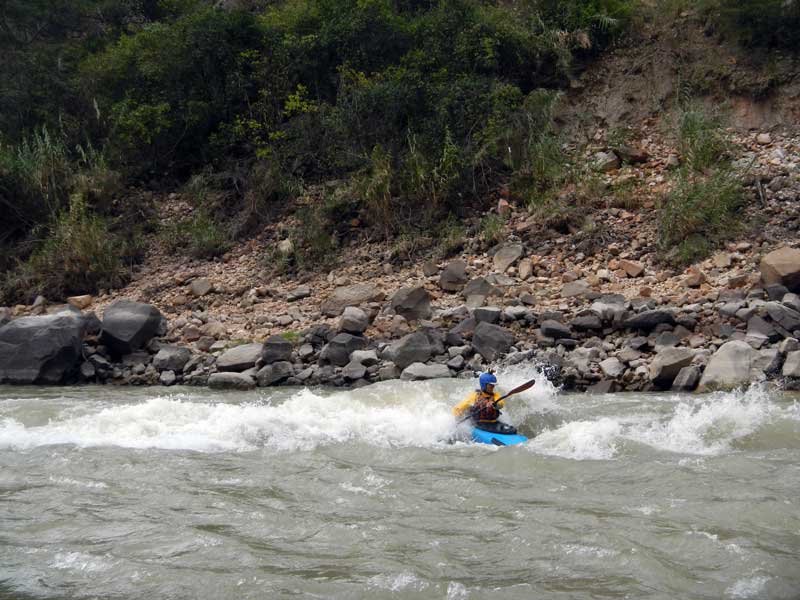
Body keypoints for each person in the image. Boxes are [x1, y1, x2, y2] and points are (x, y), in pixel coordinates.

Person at [452, 372, 517, 434]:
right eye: (490, 385)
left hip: (493, 422)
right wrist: (456, 419)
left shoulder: (496, 395)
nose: (492, 387)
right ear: (484, 385)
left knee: (512, 430)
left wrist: (494, 404)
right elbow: (458, 408)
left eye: (493, 385)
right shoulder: (474, 396)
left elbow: (500, 405)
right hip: (478, 423)